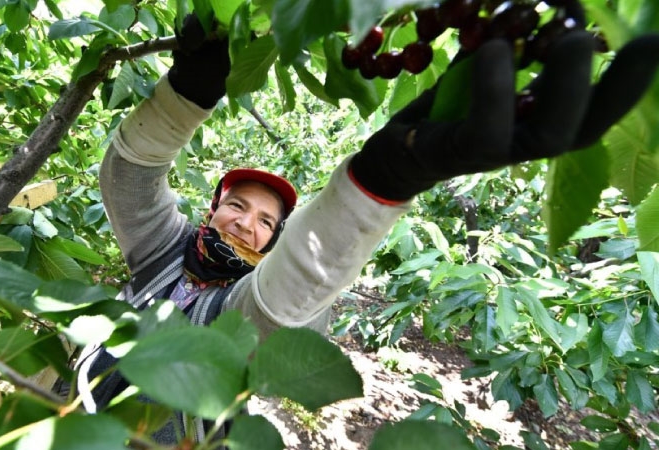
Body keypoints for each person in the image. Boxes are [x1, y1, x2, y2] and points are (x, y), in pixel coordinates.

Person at [66, 11, 659, 445]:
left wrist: (384, 177)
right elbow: (131, 179)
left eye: (268, 222)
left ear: (276, 241)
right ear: (212, 208)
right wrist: (184, 95)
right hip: (51, 417)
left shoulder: (257, 306)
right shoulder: (166, 255)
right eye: (239, 206)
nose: (248, 224)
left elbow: (283, 297)